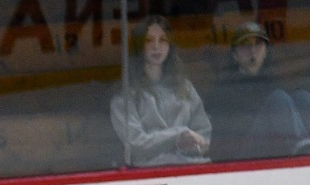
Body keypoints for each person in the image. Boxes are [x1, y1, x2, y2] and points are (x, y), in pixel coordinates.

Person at [112, 15, 214, 166]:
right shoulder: (124, 97)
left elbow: (204, 135)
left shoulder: (185, 87)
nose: (156, 46)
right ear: (139, 45)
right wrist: (177, 137)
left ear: (170, 46)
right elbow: (135, 143)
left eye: (163, 40)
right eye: (149, 40)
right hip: (150, 173)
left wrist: (189, 144)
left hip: (193, 169)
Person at [206, 22, 310, 161]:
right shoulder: (224, 88)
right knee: (278, 99)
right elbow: (224, 135)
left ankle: (304, 148)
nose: (252, 51)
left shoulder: (274, 82)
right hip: (241, 155)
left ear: (266, 51)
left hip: (275, 150)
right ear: (235, 54)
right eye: (245, 45)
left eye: (258, 44)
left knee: (302, 97)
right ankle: (301, 150)